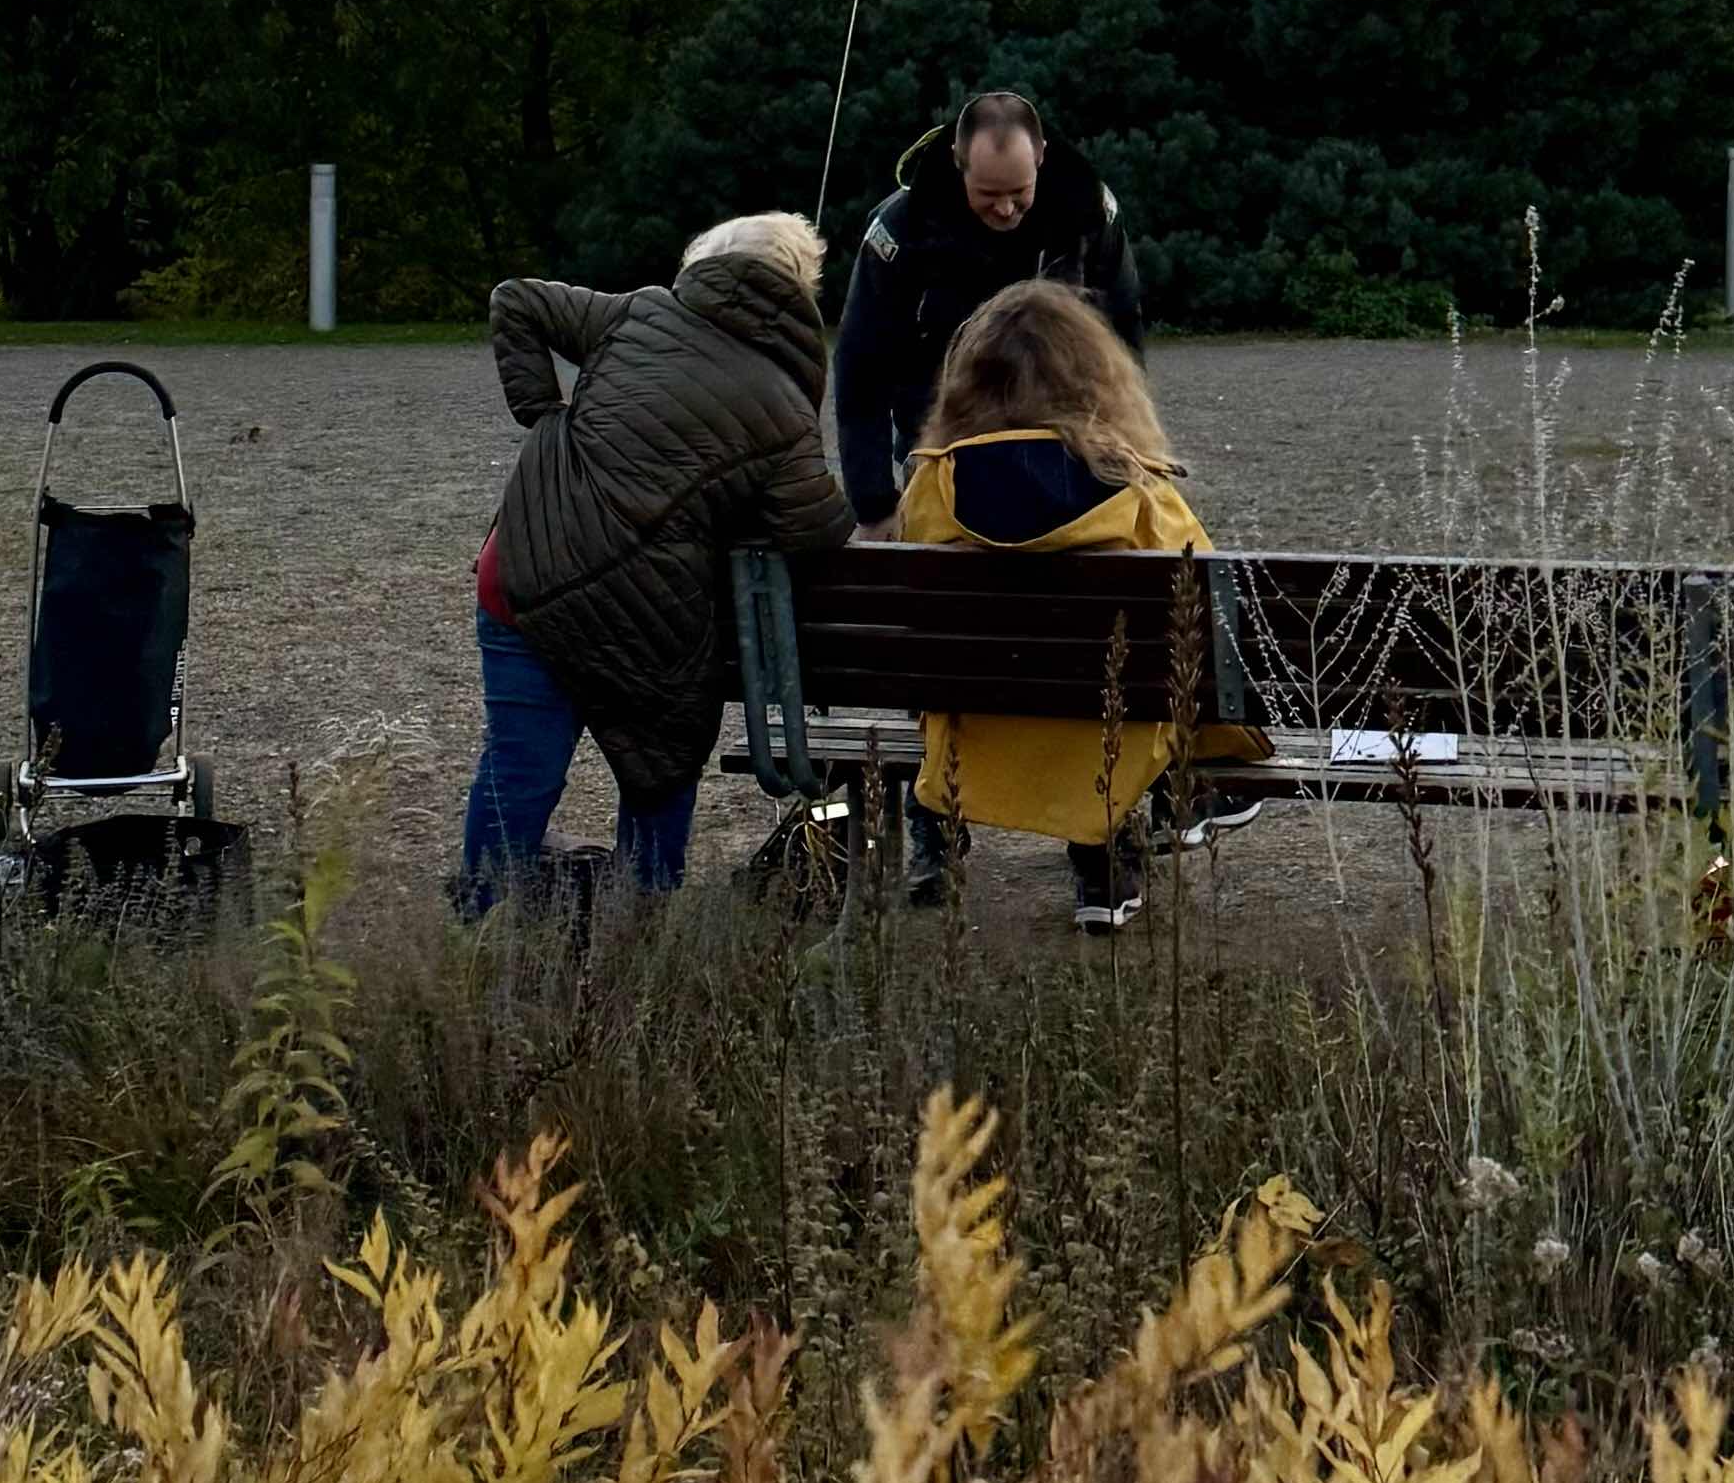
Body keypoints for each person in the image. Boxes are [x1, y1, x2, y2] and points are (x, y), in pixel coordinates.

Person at [459, 211, 854, 912]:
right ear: (799, 291)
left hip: (523, 573)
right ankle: (639, 918)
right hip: (646, 626)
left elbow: (515, 299)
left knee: (519, 768)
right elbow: (812, 531)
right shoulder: (785, 407)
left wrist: (544, 416)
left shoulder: (633, 314)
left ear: (703, 266)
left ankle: (481, 919)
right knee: (664, 763)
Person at [892, 280, 1260, 932]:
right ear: (1098, 377)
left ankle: (954, 841)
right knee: (1151, 678)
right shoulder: (1139, 492)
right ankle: (1106, 855)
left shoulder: (932, 485)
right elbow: (1210, 626)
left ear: (968, 382)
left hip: (978, 734)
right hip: (1111, 741)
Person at [830, 85, 1145, 524]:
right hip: (941, 453)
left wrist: (1133, 451)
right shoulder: (901, 233)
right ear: (959, 162)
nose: (1005, 208)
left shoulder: (1090, 215)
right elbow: (862, 367)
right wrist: (874, 505)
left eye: (1018, 191)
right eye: (987, 193)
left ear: (1040, 156)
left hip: (1067, 448)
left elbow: (1123, 336)